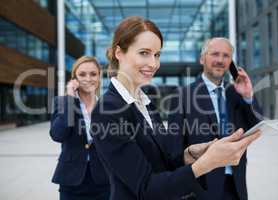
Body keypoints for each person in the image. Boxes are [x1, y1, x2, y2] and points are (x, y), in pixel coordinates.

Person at [90, 17, 261, 200]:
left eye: (157, 55)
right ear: (119, 53)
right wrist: (206, 164)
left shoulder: (146, 104)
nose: (153, 64)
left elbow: (161, 163)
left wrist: (189, 155)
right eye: (144, 53)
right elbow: (145, 188)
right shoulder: (107, 110)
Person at [167, 37, 263, 200]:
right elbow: (174, 149)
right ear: (202, 58)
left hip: (236, 184)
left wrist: (248, 96)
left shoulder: (236, 92)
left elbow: (256, 124)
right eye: (215, 54)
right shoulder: (183, 95)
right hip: (200, 188)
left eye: (226, 56)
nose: (220, 60)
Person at [49, 56, 110, 200]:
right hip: (71, 180)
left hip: (104, 180)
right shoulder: (62, 102)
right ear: (74, 78)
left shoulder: (107, 106)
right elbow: (58, 135)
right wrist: (70, 98)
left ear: (99, 77)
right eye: (82, 74)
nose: (88, 78)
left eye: (93, 74)